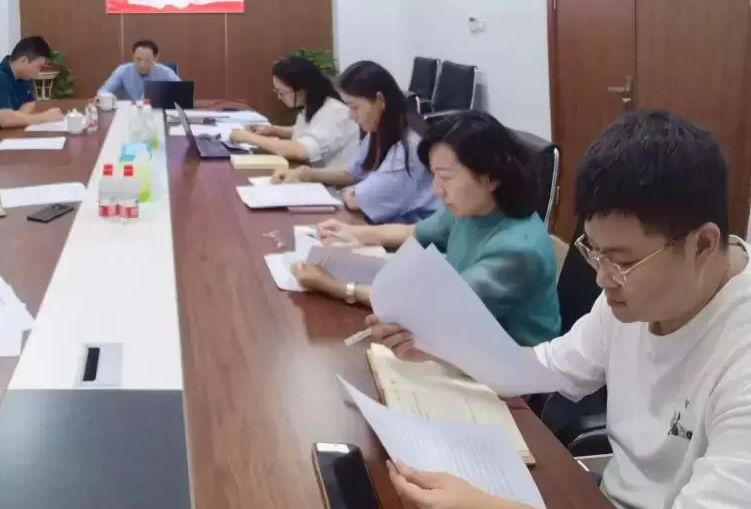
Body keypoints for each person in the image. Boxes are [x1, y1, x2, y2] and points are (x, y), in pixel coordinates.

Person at [368, 110, 751, 509]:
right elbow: (546, 367)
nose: (602, 278)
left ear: (702, 245)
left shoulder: (739, 362)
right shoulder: (633, 298)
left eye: (622, 260)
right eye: (595, 252)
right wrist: (434, 346)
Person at [296, 110, 559, 346]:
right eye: (434, 175)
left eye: (445, 177)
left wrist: (336, 286)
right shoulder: (474, 207)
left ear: (490, 177)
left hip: (507, 366)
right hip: (460, 335)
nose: (436, 189)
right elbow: (415, 232)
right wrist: (355, 232)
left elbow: (435, 306)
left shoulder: (517, 249)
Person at [272, 60, 440, 224]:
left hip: (417, 234)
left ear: (380, 100)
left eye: (354, 107)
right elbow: (352, 172)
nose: (351, 116)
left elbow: (355, 200)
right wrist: (305, 173)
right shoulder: (380, 130)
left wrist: (354, 191)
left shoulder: (408, 148)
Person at [228, 55, 359, 168]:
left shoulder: (334, 112)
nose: (279, 97)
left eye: (282, 92)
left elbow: (300, 150)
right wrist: (273, 130)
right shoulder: (315, 104)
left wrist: (248, 138)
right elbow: (308, 131)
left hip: (330, 185)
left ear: (302, 89)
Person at [97, 38, 180, 101]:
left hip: (156, 111)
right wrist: (110, 99)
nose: (142, 64)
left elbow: (182, 92)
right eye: (138, 59)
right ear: (133, 56)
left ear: (156, 58)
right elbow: (103, 92)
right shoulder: (123, 70)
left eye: (147, 60)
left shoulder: (165, 72)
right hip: (130, 111)